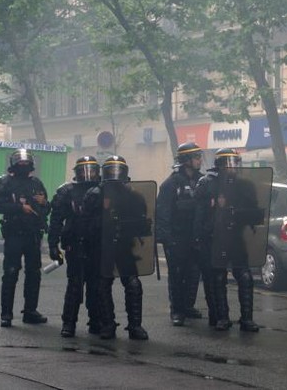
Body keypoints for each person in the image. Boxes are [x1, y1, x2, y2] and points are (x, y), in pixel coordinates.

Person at [193, 148, 261, 332]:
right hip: (215, 237)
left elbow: (254, 212)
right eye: (228, 162)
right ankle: (222, 317)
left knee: (245, 277)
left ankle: (247, 318)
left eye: (234, 162)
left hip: (237, 237)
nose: (232, 166)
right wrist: (200, 237)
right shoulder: (207, 183)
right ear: (220, 165)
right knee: (218, 276)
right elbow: (200, 215)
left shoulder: (245, 185)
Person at [83, 155, 150, 340]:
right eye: (111, 170)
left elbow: (143, 225)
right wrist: (103, 210)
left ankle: (135, 325)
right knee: (103, 284)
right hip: (102, 247)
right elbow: (87, 224)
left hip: (125, 246)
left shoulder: (134, 196)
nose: (115, 174)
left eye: (118, 170)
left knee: (133, 284)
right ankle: (108, 324)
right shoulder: (94, 194)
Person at [0, 149, 50, 327]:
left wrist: (44, 203)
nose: (23, 165)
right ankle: (6, 314)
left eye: (26, 162)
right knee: (10, 272)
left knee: (34, 273)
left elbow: (47, 209)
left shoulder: (36, 183)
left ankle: (30, 311)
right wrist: (18, 208)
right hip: (14, 233)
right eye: (20, 162)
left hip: (33, 235)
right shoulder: (4, 182)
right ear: (14, 164)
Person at [48, 156, 101, 337]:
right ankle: (69, 323)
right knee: (75, 285)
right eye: (84, 170)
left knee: (96, 286)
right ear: (77, 173)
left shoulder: (102, 190)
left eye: (92, 170)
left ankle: (96, 322)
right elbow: (56, 220)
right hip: (75, 245)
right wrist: (53, 245)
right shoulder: (67, 191)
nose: (88, 174)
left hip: (96, 245)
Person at [156, 142, 206, 326]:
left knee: (194, 274)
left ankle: (188, 306)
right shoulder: (171, 184)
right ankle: (177, 310)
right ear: (186, 160)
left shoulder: (202, 181)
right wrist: (167, 240)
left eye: (200, 156)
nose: (200, 160)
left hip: (195, 237)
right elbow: (163, 213)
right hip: (177, 238)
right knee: (177, 275)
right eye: (196, 157)